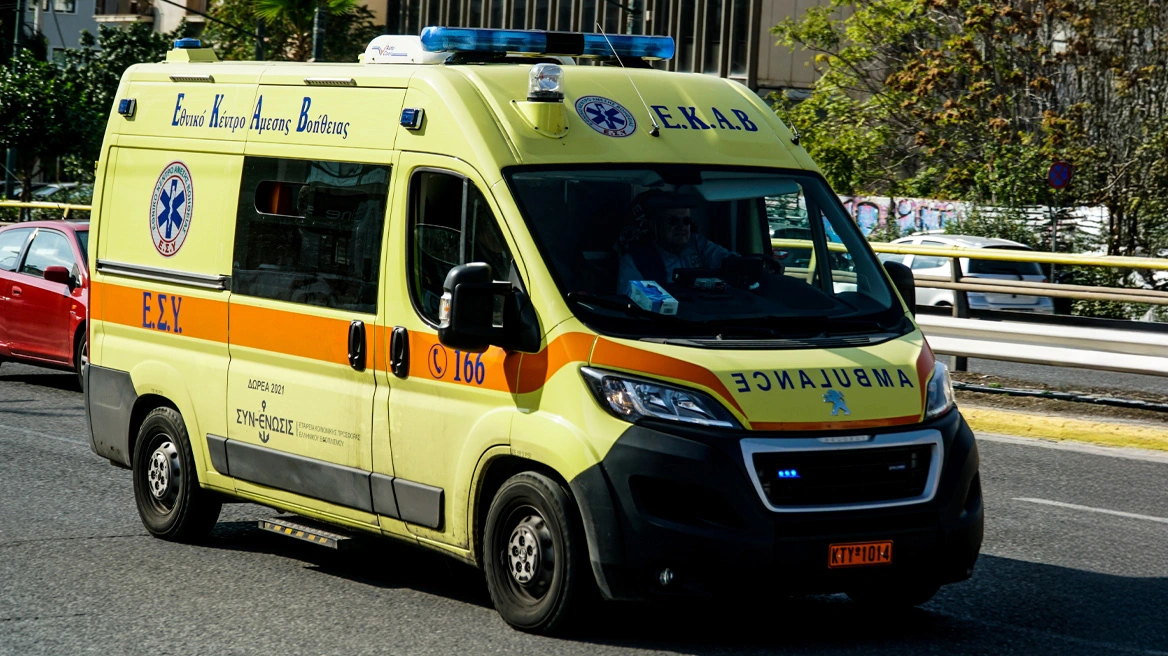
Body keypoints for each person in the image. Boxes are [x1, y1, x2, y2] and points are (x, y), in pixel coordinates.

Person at [616, 190, 733, 295]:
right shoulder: (636, 261)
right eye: (673, 221)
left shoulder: (698, 244)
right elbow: (637, 297)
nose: (681, 227)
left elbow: (729, 260)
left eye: (686, 221)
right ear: (654, 226)